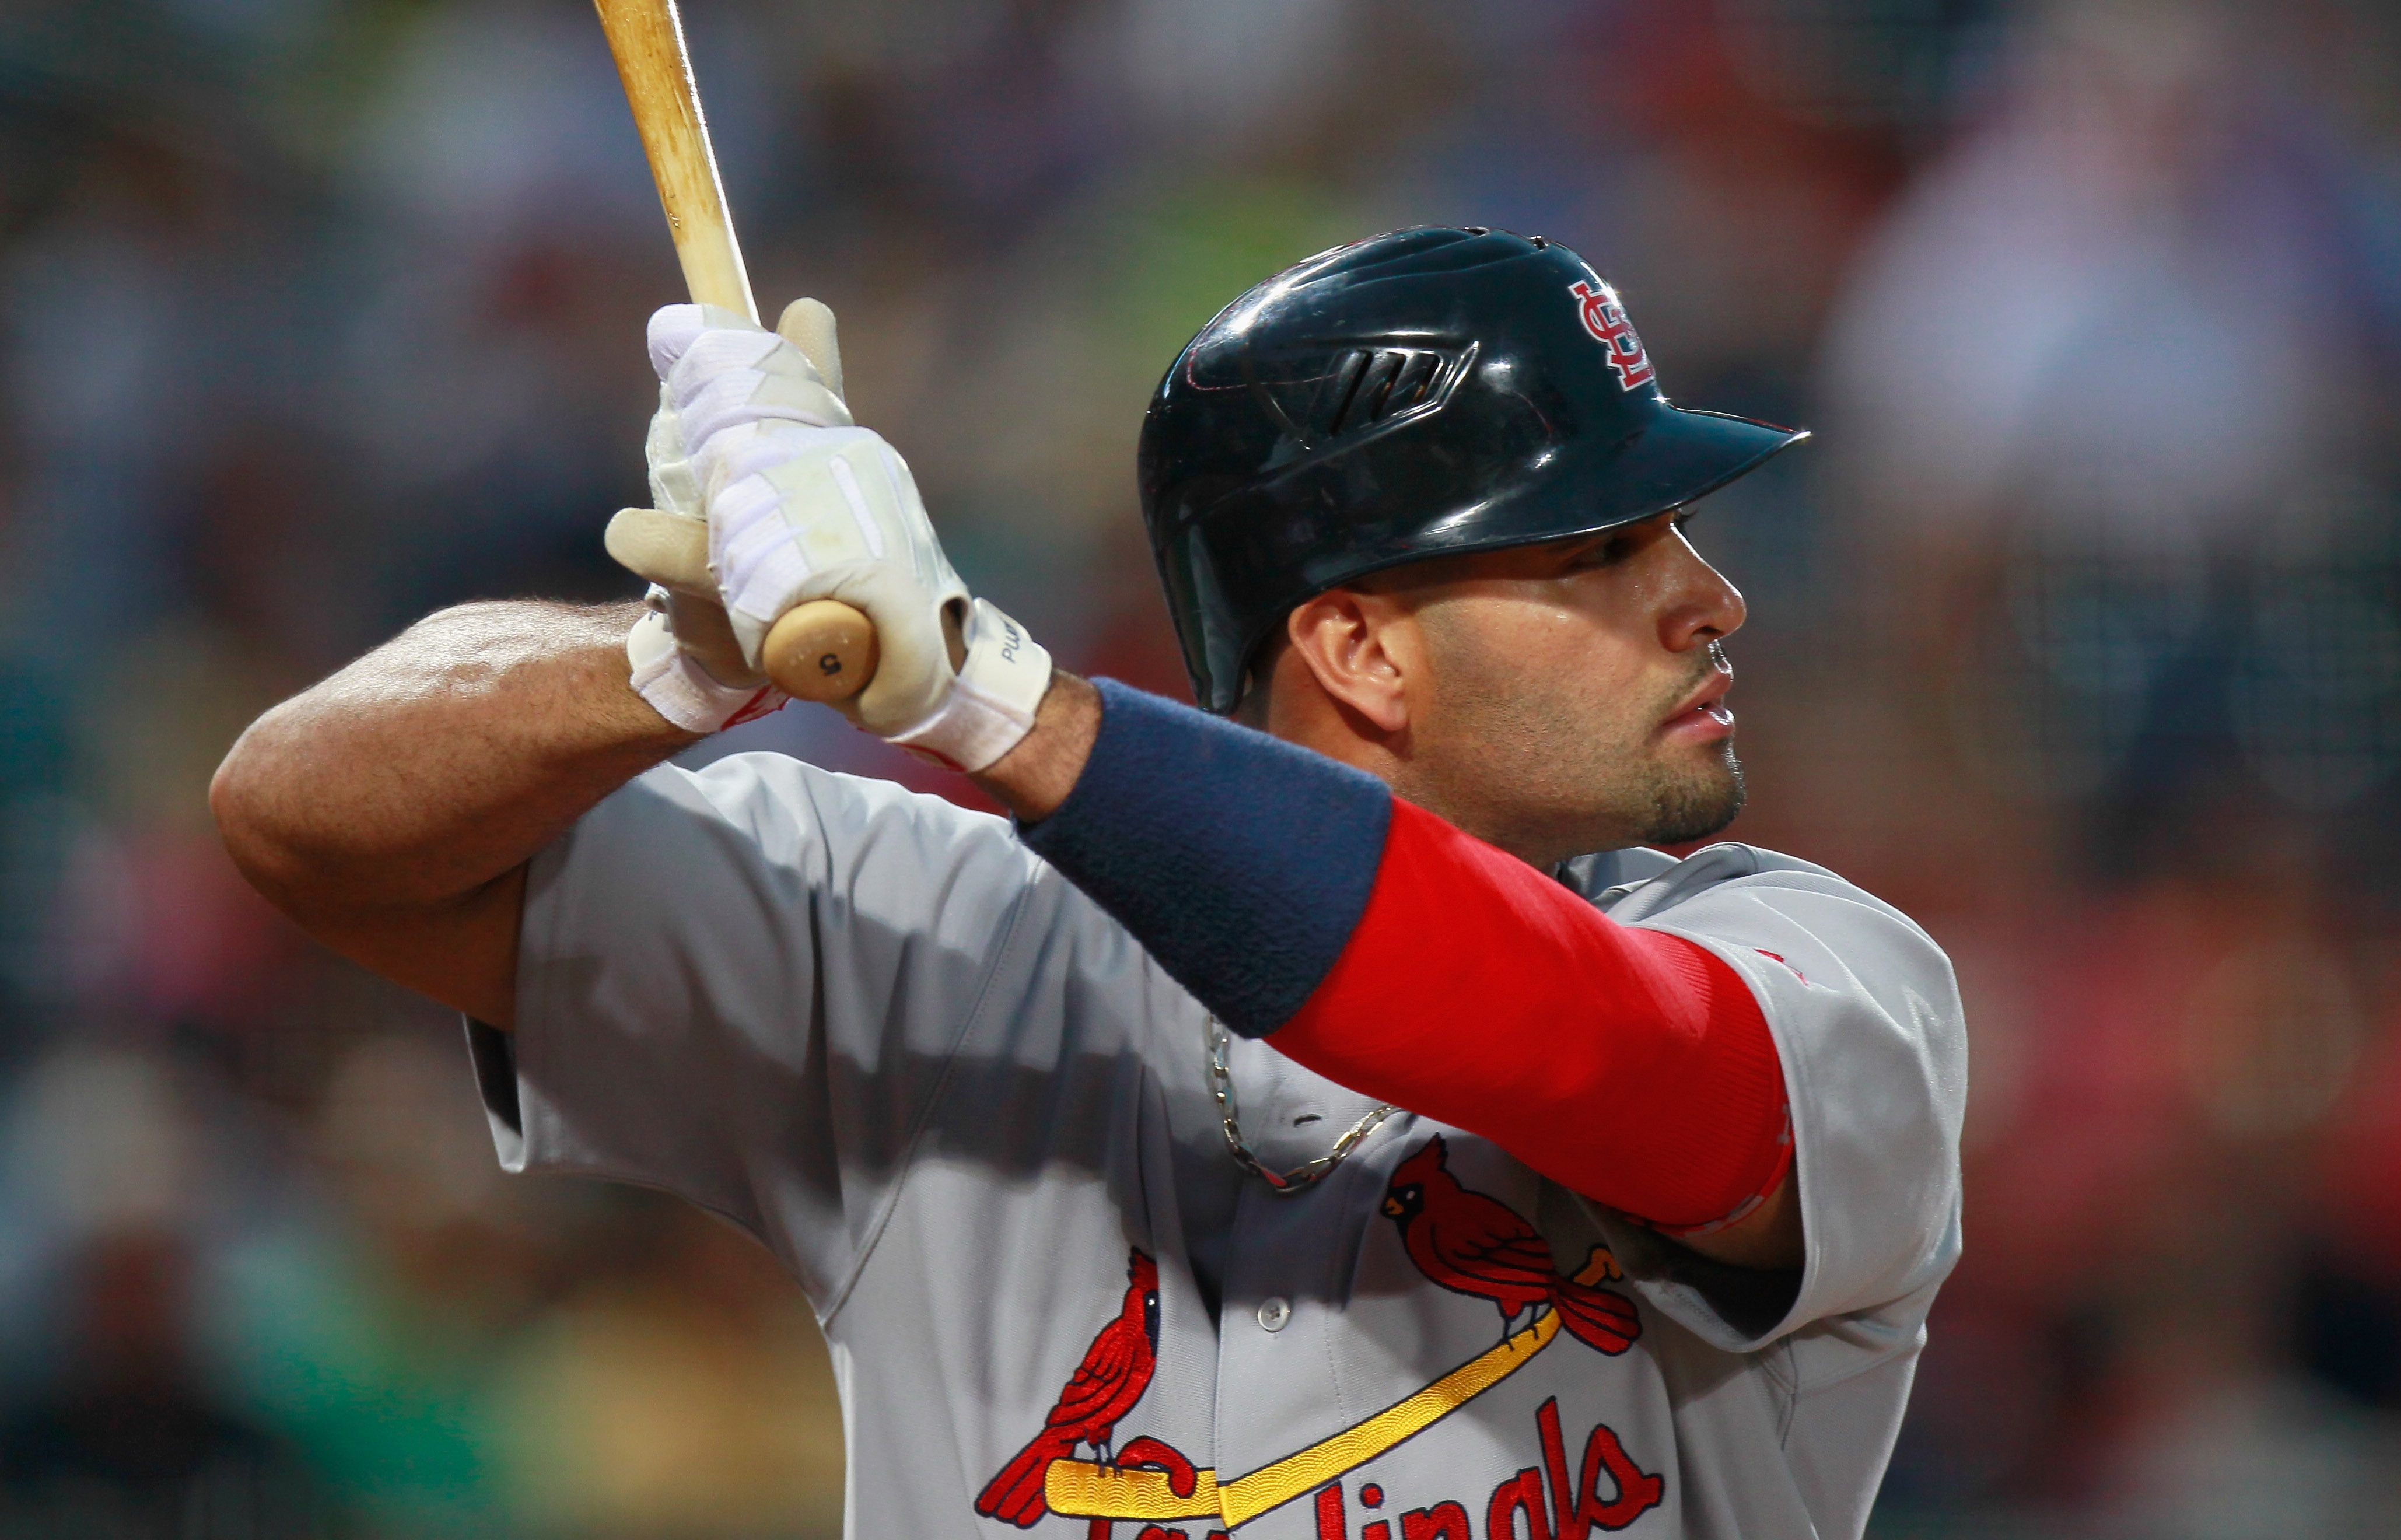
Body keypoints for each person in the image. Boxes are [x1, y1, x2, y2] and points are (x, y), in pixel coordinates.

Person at [212, 228, 1964, 1540]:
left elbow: (1600, 1052)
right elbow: (304, 821)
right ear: (1358, 648)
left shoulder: (1815, 963)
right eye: (1605, 547)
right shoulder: (928, 924)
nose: (1710, 596)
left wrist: (987, 697)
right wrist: (680, 657)